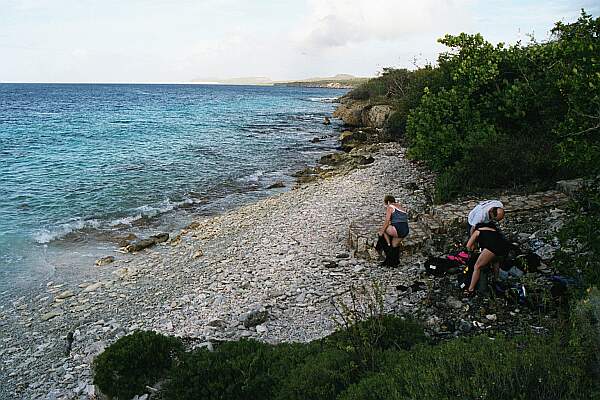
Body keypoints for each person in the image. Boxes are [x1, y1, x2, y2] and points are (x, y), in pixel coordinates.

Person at [464, 222, 510, 296]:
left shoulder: (478, 231)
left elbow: (468, 246)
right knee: (495, 261)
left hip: (492, 247)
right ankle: (496, 280)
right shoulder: (494, 231)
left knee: (477, 266)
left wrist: (472, 250)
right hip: (504, 248)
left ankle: (470, 289)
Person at [378, 195, 409, 266]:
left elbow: (386, 221)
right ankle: (395, 262)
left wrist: (381, 232)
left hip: (398, 228)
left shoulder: (390, 206)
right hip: (405, 229)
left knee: (382, 231)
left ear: (388, 202)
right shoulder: (400, 207)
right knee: (394, 244)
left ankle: (388, 245)